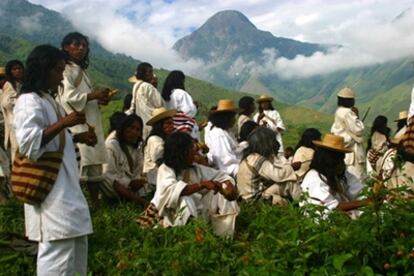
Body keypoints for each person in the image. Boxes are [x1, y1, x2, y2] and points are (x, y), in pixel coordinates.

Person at [13, 44, 93, 276]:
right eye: (58, 70)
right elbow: (29, 143)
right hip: (51, 192)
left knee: (76, 248)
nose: (60, 77)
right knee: (57, 252)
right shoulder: (29, 101)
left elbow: (54, 141)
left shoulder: (47, 100)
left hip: (66, 189)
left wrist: (77, 136)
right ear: (43, 69)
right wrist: (64, 123)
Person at [150, 132, 239, 236]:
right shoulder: (165, 169)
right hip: (172, 215)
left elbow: (222, 177)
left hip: (199, 212)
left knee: (221, 194)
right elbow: (172, 190)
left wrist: (226, 186)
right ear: (181, 152)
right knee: (185, 199)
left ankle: (225, 234)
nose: (195, 153)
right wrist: (202, 185)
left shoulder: (195, 168)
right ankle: (191, 235)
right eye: (190, 150)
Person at [58, 32, 110, 209]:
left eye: (84, 45)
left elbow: (83, 97)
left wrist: (99, 99)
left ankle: (95, 203)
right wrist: (93, 95)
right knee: (80, 163)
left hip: (90, 119)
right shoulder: (64, 69)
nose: (81, 48)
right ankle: (76, 204)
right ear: (66, 47)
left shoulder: (82, 71)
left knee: (93, 163)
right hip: (76, 123)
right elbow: (67, 96)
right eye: (76, 44)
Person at [300, 134, 367, 218]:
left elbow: (358, 189)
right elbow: (332, 207)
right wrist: (364, 202)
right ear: (329, 161)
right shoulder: (314, 178)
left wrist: (372, 196)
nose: (342, 164)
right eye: (339, 160)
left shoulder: (338, 174)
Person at [237, 128, 301, 206]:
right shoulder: (258, 160)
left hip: (245, 199)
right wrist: (292, 167)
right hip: (255, 201)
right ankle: (303, 205)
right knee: (289, 182)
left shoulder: (250, 157)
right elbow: (279, 176)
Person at [102, 114, 149, 206]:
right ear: (123, 128)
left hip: (130, 188)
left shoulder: (136, 147)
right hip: (114, 191)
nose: (134, 132)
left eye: (137, 130)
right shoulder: (111, 146)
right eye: (131, 128)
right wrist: (130, 184)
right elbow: (108, 177)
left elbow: (137, 171)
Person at [331, 87, 365, 180]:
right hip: (353, 152)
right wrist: (357, 117)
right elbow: (358, 130)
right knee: (357, 180)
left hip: (345, 151)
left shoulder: (338, 111)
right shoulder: (347, 112)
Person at [204, 100, 243, 177]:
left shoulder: (227, 131)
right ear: (226, 118)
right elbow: (226, 163)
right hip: (227, 174)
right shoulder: (219, 135)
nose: (235, 120)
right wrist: (244, 172)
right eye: (233, 117)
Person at [126, 62, 163, 138]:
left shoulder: (136, 85)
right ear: (144, 73)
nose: (152, 74)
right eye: (149, 72)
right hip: (150, 121)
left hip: (140, 121)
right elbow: (159, 103)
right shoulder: (148, 87)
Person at [143, 107, 176, 186]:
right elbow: (159, 159)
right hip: (154, 177)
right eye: (168, 123)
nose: (172, 126)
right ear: (160, 126)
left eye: (172, 123)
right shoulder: (154, 139)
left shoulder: (164, 139)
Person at [162, 70, 199, 139]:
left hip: (174, 130)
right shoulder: (181, 93)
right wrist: (195, 106)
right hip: (186, 131)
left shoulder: (166, 96)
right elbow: (190, 112)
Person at [1, 59, 24, 161]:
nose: (18, 71)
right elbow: (7, 102)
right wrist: (22, 103)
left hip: (22, 119)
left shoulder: (21, 83)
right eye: (14, 69)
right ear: (10, 71)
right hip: (14, 121)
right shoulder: (9, 84)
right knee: (16, 147)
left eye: (19, 68)